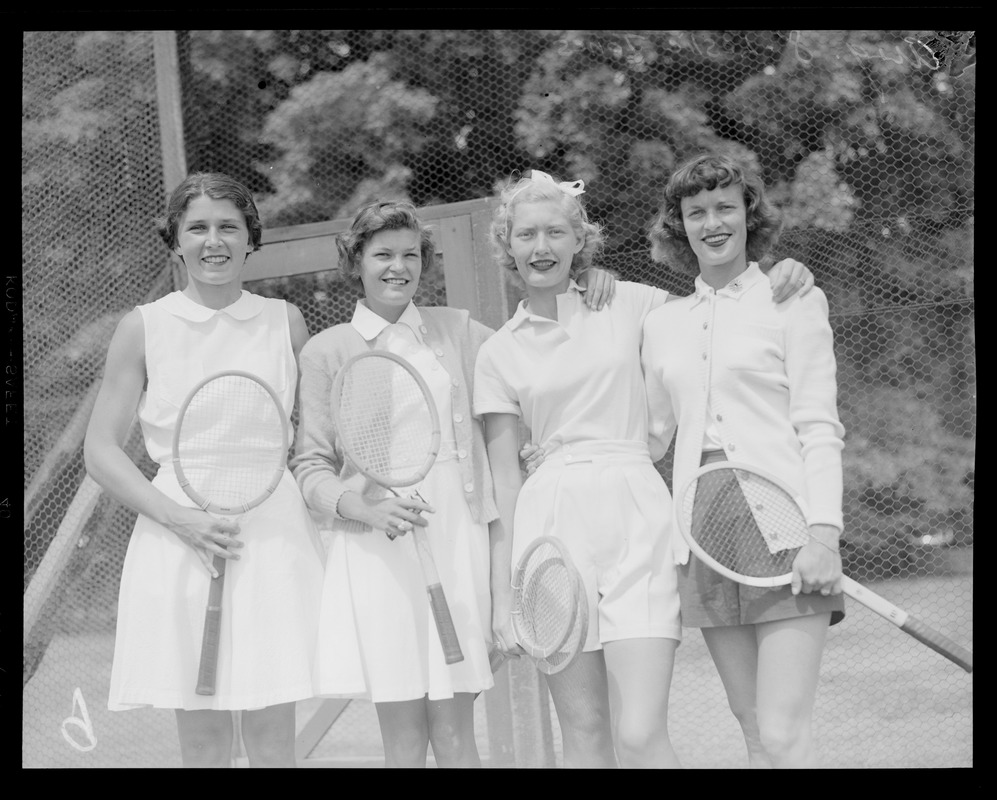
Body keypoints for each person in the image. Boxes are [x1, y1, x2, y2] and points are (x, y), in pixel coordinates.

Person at [473, 169, 814, 768]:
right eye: (526, 235)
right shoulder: (497, 351)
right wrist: (502, 600)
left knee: (637, 732)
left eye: (556, 231)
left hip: (639, 519)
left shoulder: (634, 302)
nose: (542, 247)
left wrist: (785, 274)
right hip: (549, 523)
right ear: (508, 245)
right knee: (583, 728)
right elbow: (505, 480)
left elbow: (715, 316)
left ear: (580, 240)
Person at [290, 200, 614, 768]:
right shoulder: (327, 350)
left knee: (457, 733)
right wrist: (366, 511)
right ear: (356, 262)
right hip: (377, 549)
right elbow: (310, 467)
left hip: (456, 539)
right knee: (405, 740)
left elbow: (537, 354)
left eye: (411, 255)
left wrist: (589, 282)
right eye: (383, 254)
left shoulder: (460, 331)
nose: (399, 267)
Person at [83, 172, 324, 768]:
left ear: (250, 240)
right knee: (205, 744)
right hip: (178, 537)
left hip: (274, 536)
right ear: (175, 242)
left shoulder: (285, 322)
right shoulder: (143, 326)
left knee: (273, 740)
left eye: (228, 227)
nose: (213, 241)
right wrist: (181, 519)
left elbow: (320, 440)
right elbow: (101, 450)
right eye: (197, 228)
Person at [641, 152, 846, 768]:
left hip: (785, 535)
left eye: (725, 208)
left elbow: (820, 428)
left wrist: (824, 535)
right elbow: (651, 437)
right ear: (680, 226)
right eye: (696, 212)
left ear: (748, 216)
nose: (712, 223)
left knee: (784, 734)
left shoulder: (794, 299)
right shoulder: (662, 322)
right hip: (702, 536)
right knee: (753, 730)